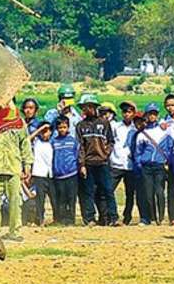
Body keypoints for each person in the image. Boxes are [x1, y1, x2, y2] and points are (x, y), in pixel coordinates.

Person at [0, 102, 30, 241]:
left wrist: (27, 165)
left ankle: (15, 231)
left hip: (13, 168)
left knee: (15, 201)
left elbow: (25, 144)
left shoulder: (19, 122)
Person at [75, 94, 117, 226]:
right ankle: (90, 218)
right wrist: (81, 164)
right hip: (88, 163)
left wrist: (106, 154)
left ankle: (113, 218)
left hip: (103, 162)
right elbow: (80, 146)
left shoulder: (104, 124)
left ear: (93, 107)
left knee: (108, 190)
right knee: (88, 192)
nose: (84, 110)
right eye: (83, 107)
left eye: (86, 107)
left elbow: (110, 141)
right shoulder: (80, 126)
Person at [132, 103, 171, 225]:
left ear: (157, 115)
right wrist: (139, 164)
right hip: (146, 166)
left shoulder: (164, 130)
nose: (152, 116)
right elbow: (138, 152)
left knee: (159, 192)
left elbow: (169, 148)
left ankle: (160, 217)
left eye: (154, 113)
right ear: (146, 115)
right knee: (148, 193)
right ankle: (152, 218)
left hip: (159, 166)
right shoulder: (142, 134)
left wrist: (167, 161)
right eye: (150, 114)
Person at [109, 102, 139, 224]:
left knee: (130, 194)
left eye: (129, 111)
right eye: (124, 111)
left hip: (130, 165)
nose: (126, 114)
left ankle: (127, 217)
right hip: (116, 163)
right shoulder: (116, 126)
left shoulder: (136, 128)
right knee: (109, 190)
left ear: (133, 113)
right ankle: (112, 216)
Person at [49, 116, 81, 226]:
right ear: (57, 129)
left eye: (64, 127)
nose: (62, 129)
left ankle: (71, 220)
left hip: (71, 174)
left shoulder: (73, 141)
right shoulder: (53, 142)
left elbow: (77, 156)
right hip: (58, 176)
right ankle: (61, 219)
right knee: (61, 199)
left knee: (71, 198)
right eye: (60, 127)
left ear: (68, 127)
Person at [27, 122, 54, 226]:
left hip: (51, 174)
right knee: (40, 199)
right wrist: (40, 129)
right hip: (39, 173)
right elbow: (28, 139)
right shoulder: (37, 142)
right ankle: (40, 220)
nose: (45, 134)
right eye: (43, 132)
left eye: (47, 131)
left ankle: (57, 219)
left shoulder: (52, 142)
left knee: (54, 198)